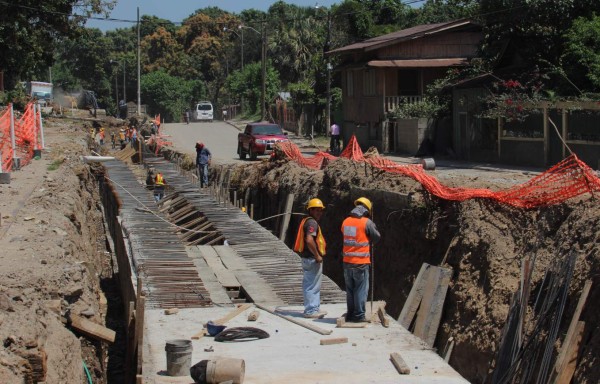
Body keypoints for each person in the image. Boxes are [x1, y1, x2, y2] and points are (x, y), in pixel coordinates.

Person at [341, 197, 381, 323]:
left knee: (350, 289)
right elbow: (376, 237)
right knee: (360, 289)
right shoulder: (366, 222)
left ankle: (351, 313)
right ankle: (358, 316)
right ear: (366, 210)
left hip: (347, 261)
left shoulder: (346, 221)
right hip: (361, 263)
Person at [293, 198, 327, 318]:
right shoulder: (312, 223)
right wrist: (317, 255)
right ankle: (311, 310)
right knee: (311, 285)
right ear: (310, 210)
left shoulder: (306, 221)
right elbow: (309, 239)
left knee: (312, 284)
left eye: (320, 210)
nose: (319, 213)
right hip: (312, 259)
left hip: (307, 258)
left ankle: (314, 308)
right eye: (316, 210)